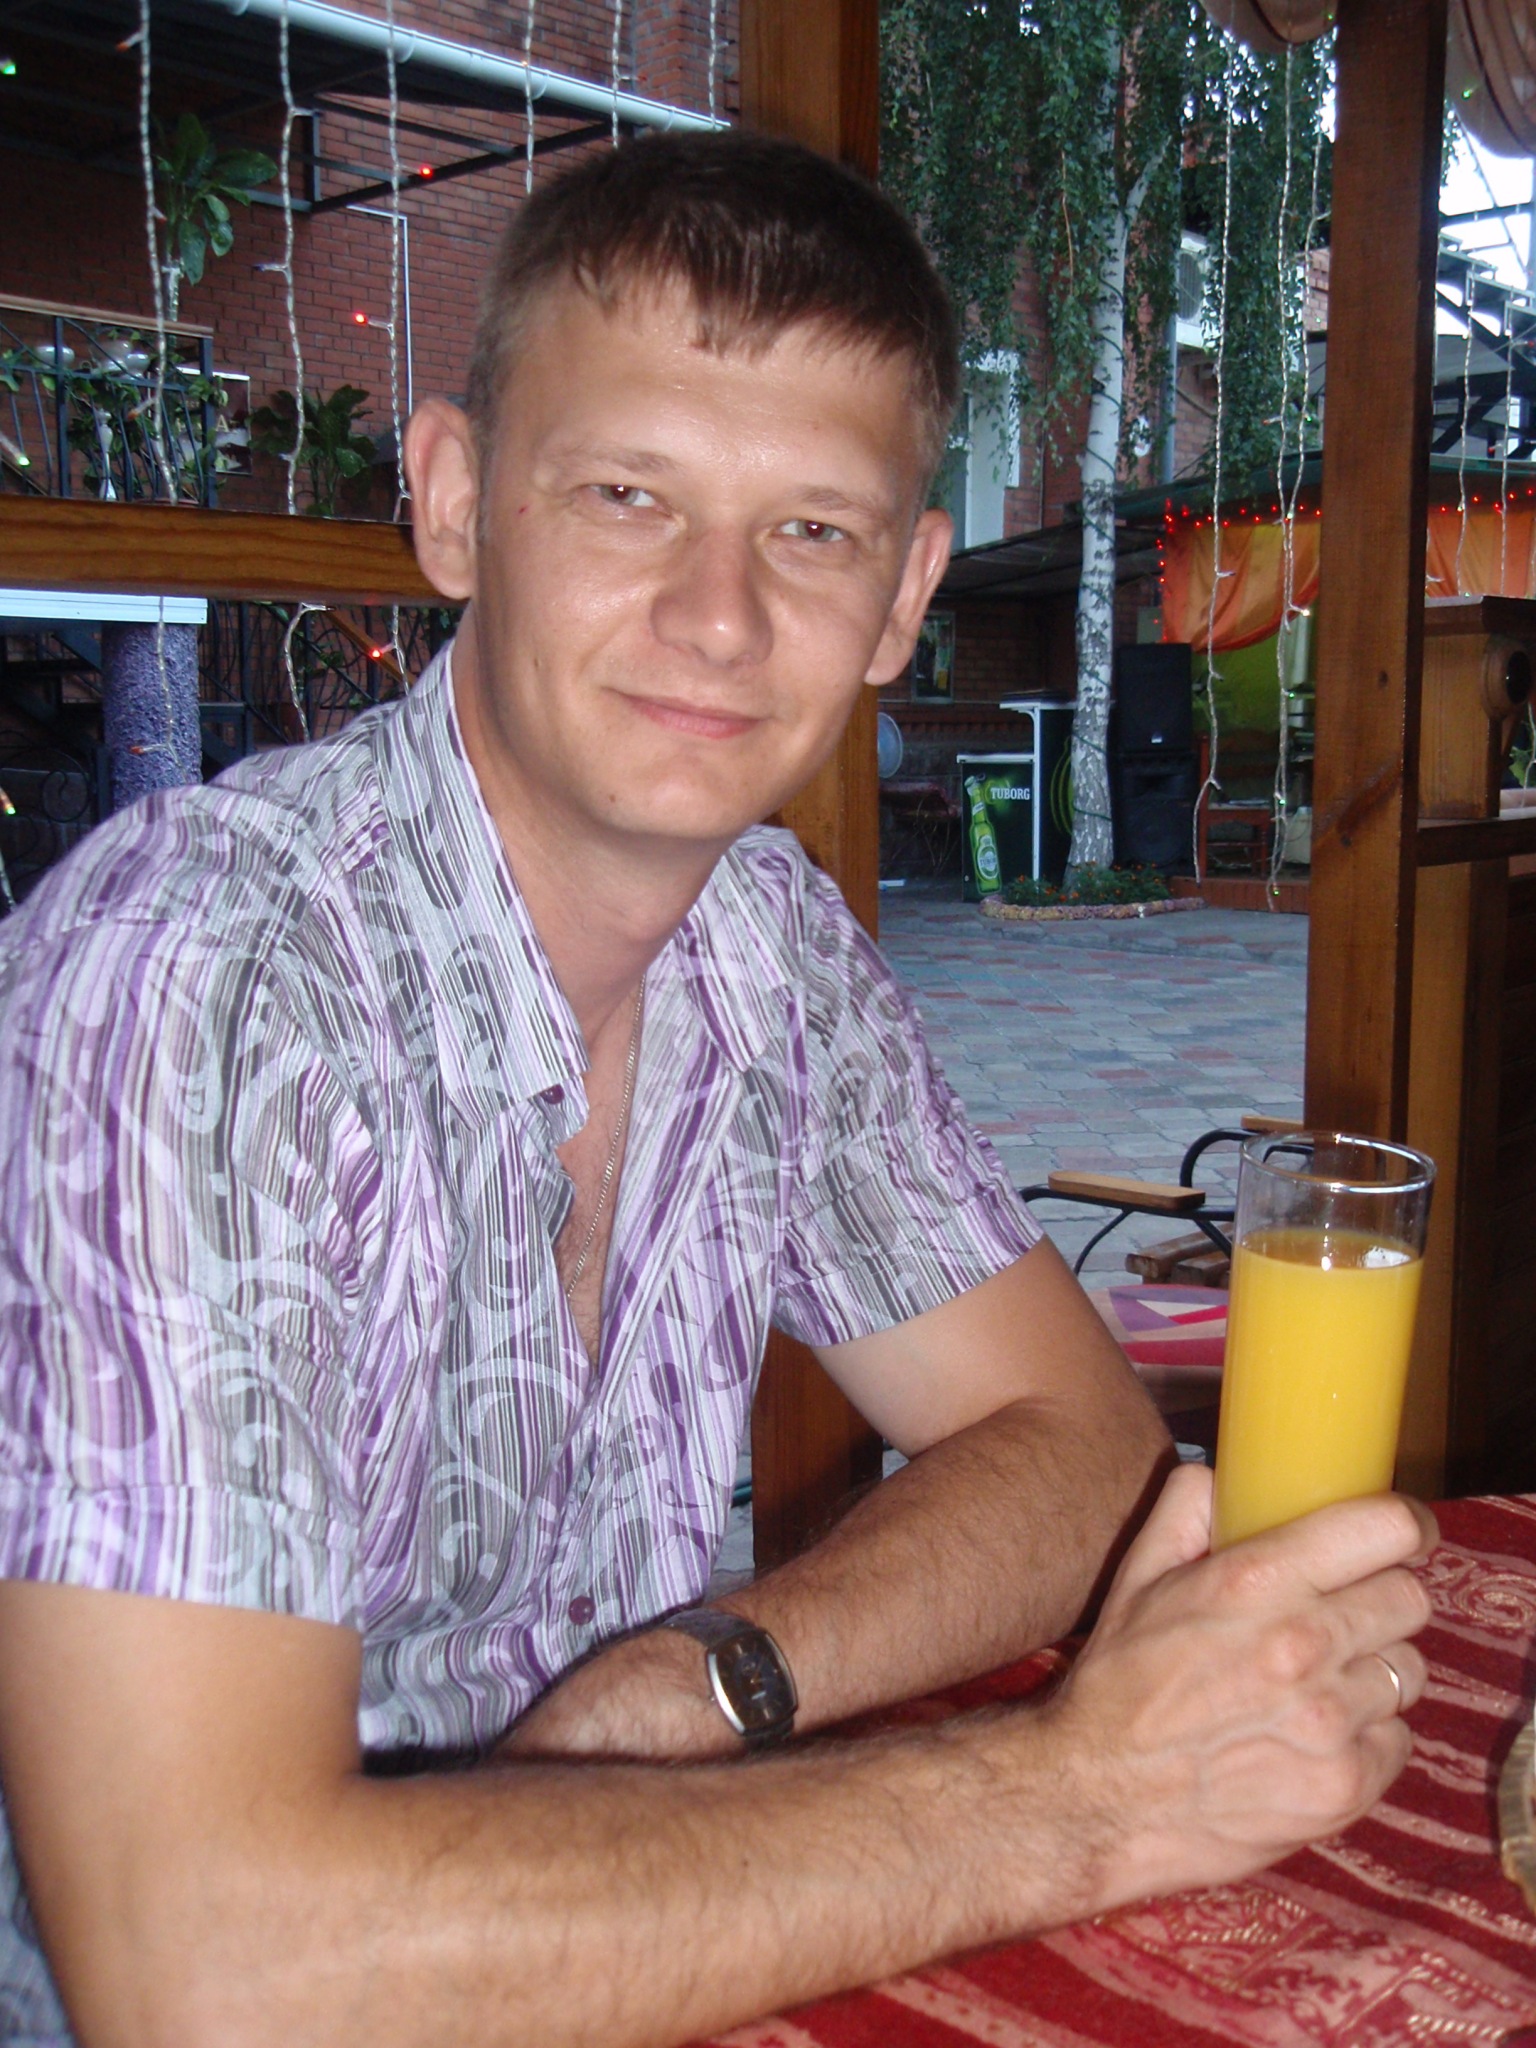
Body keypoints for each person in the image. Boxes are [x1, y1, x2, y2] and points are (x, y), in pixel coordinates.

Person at [0, 131, 1434, 2048]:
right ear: (455, 503)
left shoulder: (768, 947)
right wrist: (1086, 1796)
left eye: (812, 532)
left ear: (906, 594)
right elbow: (201, 1973)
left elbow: (1076, 1444)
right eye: (628, 495)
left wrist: (708, 1680)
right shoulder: (196, 980)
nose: (721, 617)